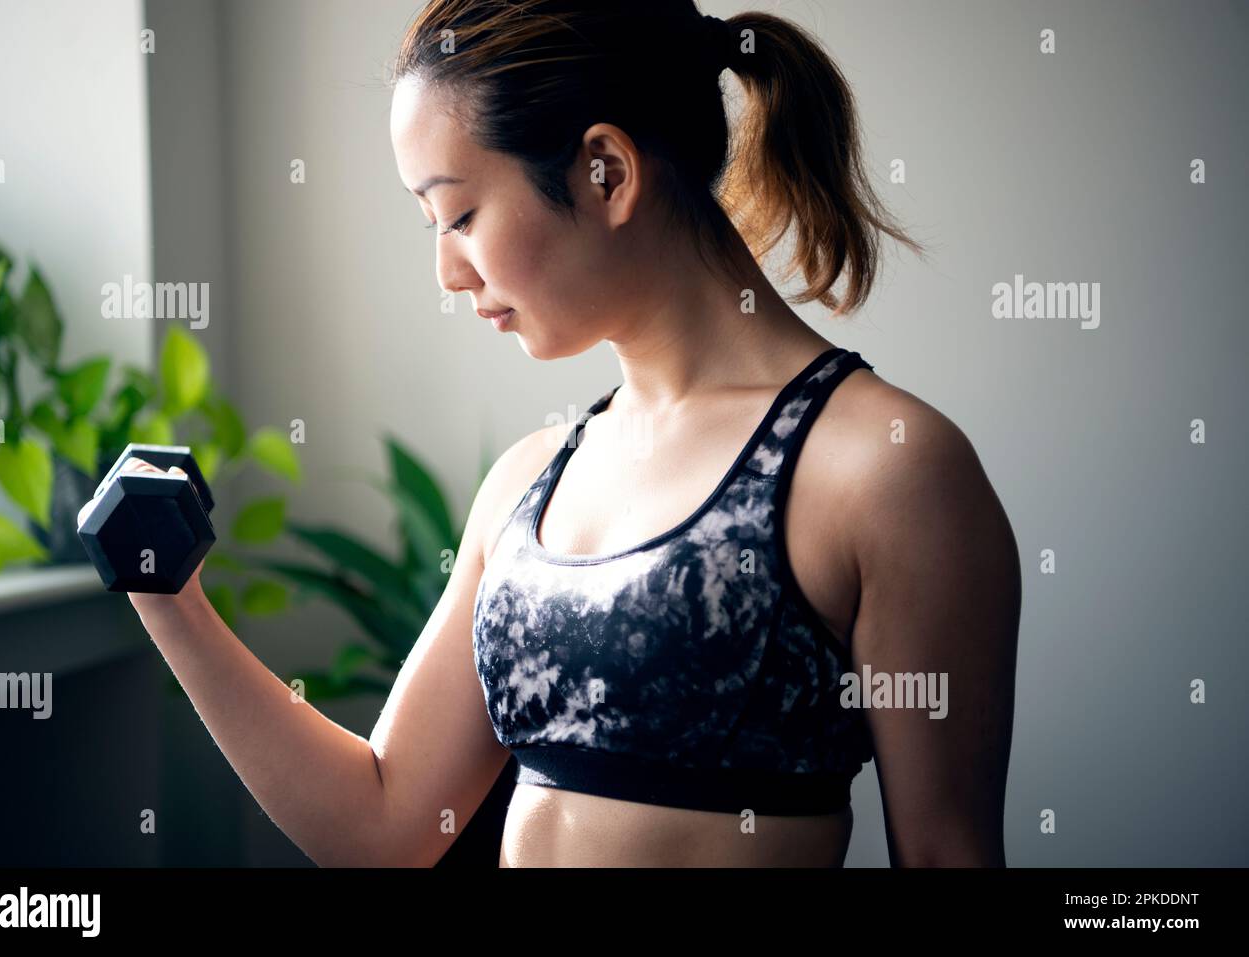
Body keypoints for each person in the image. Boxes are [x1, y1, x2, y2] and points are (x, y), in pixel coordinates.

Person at [111, 1, 1021, 867]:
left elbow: (948, 856)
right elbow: (383, 826)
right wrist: (171, 600)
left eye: (461, 214)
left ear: (606, 173)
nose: (448, 272)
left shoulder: (884, 468)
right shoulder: (527, 485)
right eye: (431, 224)